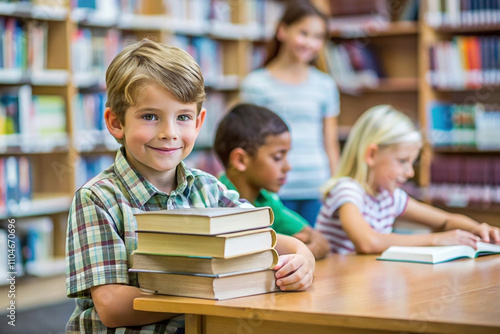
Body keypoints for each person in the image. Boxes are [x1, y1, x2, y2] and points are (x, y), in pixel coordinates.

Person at [65, 39, 315, 334]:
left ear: (199, 122)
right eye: (150, 116)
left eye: (183, 117)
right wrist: (205, 291)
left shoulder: (207, 188)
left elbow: (268, 239)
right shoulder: (97, 198)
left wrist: (303, 258)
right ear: (116, 122)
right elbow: (112, 306)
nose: (169, 133)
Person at [315, 105, 500, 254]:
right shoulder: (347, 190)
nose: (410, 172)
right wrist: (435, 239)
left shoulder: (390, 197)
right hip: (340, 288)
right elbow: (367, 242)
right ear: (372, 154)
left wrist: (479, 229)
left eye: (412, 163)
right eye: (402, 161)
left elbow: (446, 221)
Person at [240, 0, 340, 226]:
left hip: (317, 187)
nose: (310, 43)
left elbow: (330, 142)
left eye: (318, 37)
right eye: (303, 33)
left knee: (318, 253)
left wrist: (335, 185)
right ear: (282, 31)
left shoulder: (325, 85)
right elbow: (249, 141)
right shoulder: (256, 84)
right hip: (274, 188)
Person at [213, 103, 330, 259]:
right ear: (240, 160)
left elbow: (317, 239)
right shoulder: (211, 201)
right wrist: (297, 250)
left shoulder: (268, 202)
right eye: (278, 157)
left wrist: (303, 251)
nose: (288, 167)